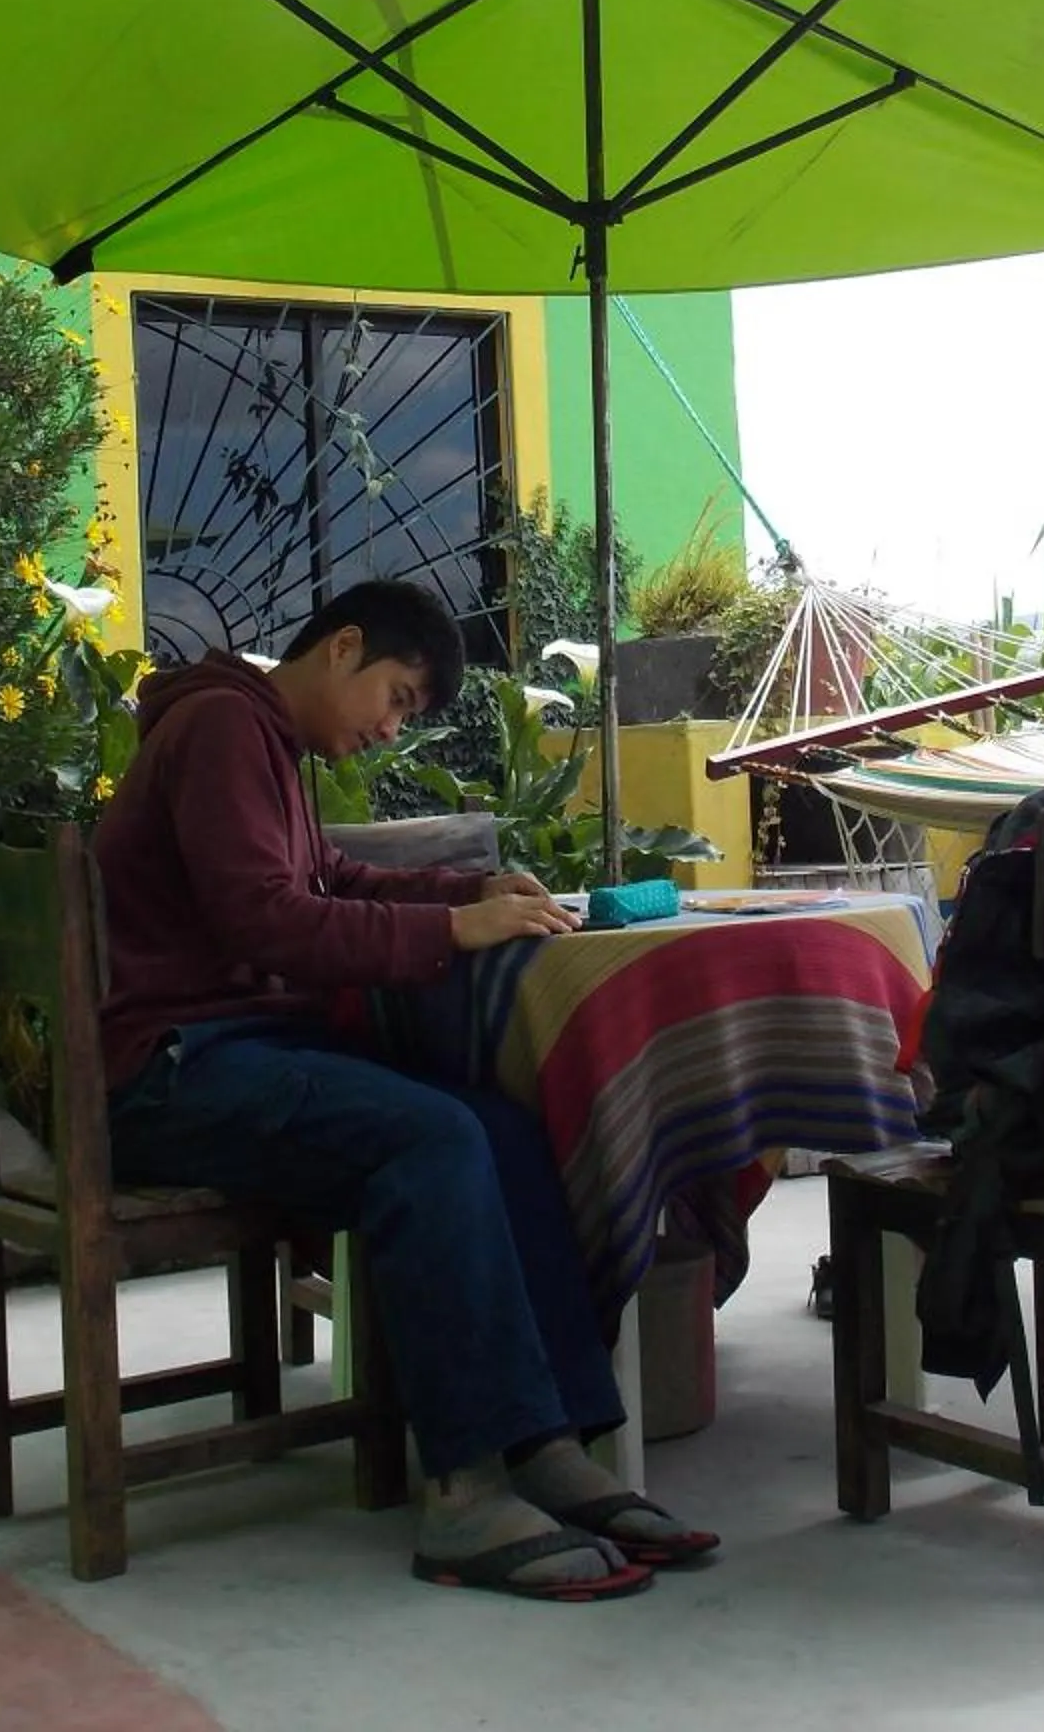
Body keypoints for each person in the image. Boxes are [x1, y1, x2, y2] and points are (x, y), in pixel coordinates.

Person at [94, 578, 719, 1602]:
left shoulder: (257, 740)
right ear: (342, 648)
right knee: (431, 1139)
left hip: (234, 1054)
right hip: (175, 1071)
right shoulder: (219, 729)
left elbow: (324, 883)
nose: (391, 729)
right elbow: (268, 924)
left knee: (502, 1128)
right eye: (396, 699)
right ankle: (467, 1490)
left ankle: (548, 1441)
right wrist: (449, 933)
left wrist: (462, 893)